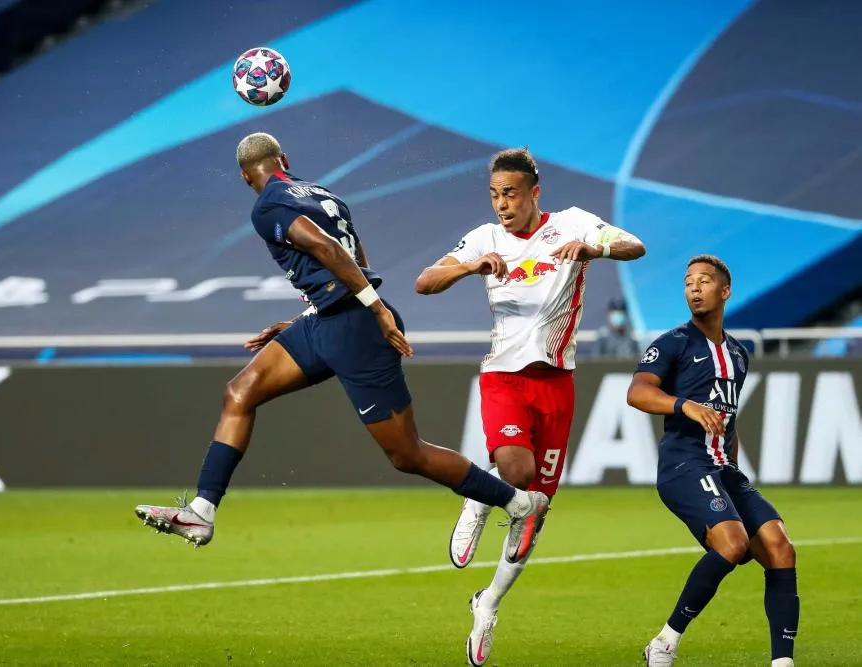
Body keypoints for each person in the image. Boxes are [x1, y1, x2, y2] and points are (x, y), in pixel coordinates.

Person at [133, 133, 549, 559]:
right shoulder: (322, 194)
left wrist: (375, 308)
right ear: (284, 159)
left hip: (356, 327)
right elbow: (354, 258)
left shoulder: (268, 205)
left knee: (407, 455)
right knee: (240, 392)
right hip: (327, 320)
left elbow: (327, 248)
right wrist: (311, 314)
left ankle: (520, 504)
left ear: (245, 177)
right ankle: (202, 511)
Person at [415, 148, 646, 666]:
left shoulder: (572, 223)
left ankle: (488, 604)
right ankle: (478, 500)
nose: (502, 204)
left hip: (557, 384)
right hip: (505, 377)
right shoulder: (484, 238)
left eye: (511, 194)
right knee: (515, 471)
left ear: (534, 193)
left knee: (534, 516)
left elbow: (635, 246)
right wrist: (470, 266)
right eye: (495, 195)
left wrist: (593, 248)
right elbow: (424, 282)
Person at [627, 255, 798, 667]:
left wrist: (733, 471)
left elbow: (728, 422)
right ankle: (665, 642)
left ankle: (782, 661)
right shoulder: (673, 343)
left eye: (703, 281)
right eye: (688, 282)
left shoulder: (738, 354)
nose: (694, 288)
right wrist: (683, 404)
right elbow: (637, 392)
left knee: (780, 547)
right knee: (733, 544)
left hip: (724, 469)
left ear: (724, 291)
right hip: (684, 465)